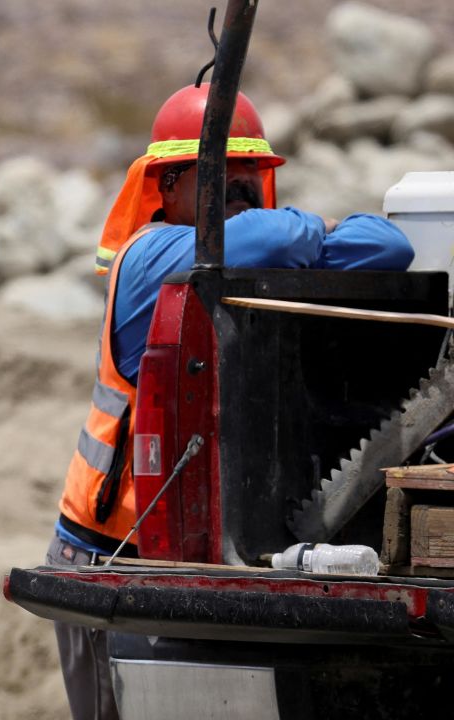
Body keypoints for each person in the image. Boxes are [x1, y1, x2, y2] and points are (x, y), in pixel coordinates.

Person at [48, 83, 413, 720]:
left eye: (252, 169)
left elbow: (391, 247)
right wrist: (311, 230)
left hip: (199, 542)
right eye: (219, 170)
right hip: (111, 550)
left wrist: (294, 235)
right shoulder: (150, 255)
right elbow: (268, 241)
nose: (240, 181)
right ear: (166, 185)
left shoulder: (252, 248)